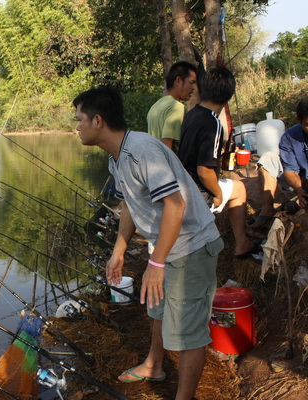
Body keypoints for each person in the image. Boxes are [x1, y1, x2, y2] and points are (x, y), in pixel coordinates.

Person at [73, 86, 223, 400]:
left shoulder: (142, 150)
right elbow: (130, 203)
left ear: (98, 121)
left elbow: (176, 206)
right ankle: (155, 365)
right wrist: (119, 250)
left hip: (191, 246)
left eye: (80, 120)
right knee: (157, 311)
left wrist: (155, 264)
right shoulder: (117, 158)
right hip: (166, 246)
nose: (77, 127)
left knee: (188, 334)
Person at [178, 66, 260, 259]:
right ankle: (242, 244)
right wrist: (215, 193)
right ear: (228, 96)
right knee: (239, 190)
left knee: (236, 187)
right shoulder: (212, 122)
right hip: (197, 194)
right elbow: (204, 170)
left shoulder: (192, 114)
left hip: (182, 186)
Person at [250, 96, 308, 228]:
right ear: (298, 120)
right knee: (268, 158)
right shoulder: (289, 137)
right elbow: (290, 170)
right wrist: (299, 189)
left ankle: (296, 204)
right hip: (300, 182)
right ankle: (267, 210)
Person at [147, 61, 198, 152]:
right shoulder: (176, 107)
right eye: (191, 82)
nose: (193, 87)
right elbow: (167, 143)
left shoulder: (155, 106)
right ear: (178, 81)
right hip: (166, 163)